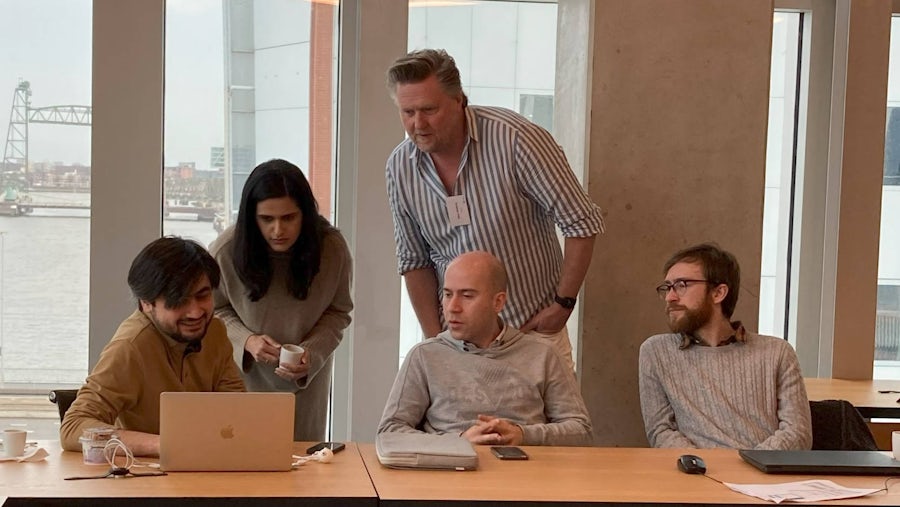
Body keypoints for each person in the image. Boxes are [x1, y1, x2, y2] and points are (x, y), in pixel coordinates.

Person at [384, 49, 605, 370]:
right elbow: (414, 261)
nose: (418, 124)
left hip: (531, 333)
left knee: (549, 423)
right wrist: (436, 340)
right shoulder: (400, 167)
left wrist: (562, 305)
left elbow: (582, 223)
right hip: (456, 343)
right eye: (407, 112)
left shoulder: (516, 139)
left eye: (429, 110)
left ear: (459, 100)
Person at [377, 251, 592, 446]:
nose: (453, 308)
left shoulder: (543, 354)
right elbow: (389, 432)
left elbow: (581, 431)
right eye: (448, 294)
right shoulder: (425, 356)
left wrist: (523, 435)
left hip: (524, 476)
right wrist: (459, 441)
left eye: (467, 295)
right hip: (449, 477)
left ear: (498, 302)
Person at [60, 237, 245, 457]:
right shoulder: (130, 347)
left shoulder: (214, 330)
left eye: (202, 295)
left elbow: (236, 410)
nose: (196, 312)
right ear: (146, 303)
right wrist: (163, 445)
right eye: (179, 300)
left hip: (204, 467)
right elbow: (73, 427)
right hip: (145, 477)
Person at [210, 158, 353, 441]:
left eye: (288, 218)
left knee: (303, 469)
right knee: (240, 462)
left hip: (306, 380)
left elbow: (339, 312)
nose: (278, 230)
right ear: (252, 218)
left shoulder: (331, 249)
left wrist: (311, 353)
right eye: (267, 219)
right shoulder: (226, 251)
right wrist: (247, 340)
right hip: (241, 378)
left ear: (305, 214)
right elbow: (211, 311)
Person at [638, 243, 812, 450]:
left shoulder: (776, 352)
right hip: (695, 476)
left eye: (682, 285)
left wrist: (750, 467)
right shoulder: (656, 352)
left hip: (764, 474)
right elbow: (661, 431)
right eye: (667, 287)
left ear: (718, 293)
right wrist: (703, 468)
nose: (670, 297)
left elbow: (798, 434)